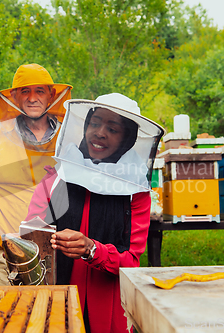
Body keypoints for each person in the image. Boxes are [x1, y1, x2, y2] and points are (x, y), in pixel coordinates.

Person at [24, 93, 164, 332]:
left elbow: (131, 260)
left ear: (127, 138)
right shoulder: (56, 179)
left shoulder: (135, 192)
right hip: (56, 300)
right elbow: (31, 236)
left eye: (113, 128)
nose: (100, 132)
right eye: (95, 123)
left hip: (109, 305)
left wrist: (93, 250)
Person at [0, 64, 72, 285]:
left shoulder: (70, 137)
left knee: (59, 316)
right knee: (13, 316)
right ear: (14, 97)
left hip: (64, 252)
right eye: (25, 91)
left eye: (39, 90)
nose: (32, 98)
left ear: (51, 95)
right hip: (11, 252)